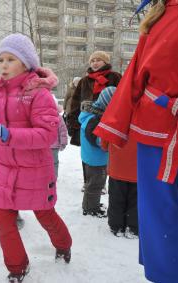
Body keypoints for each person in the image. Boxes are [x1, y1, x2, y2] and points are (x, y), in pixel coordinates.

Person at [94, 1, 178, 281]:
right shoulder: (159, 19)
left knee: (159, 213)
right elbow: (135, 75)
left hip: (157, 131)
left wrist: (113, 127)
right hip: (158, 131)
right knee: (157, 211)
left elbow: (133, 77)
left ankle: (165, 272)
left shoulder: (159, 19)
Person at [0, 33, 72, 283]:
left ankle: (64, 244)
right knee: (2, 218)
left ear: (25, 63)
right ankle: (16, 267)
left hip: (34, 168)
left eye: (10, 59)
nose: (3, 64)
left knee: (44, 213)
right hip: (4, 166)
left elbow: (47, 134)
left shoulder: (39, 93)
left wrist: (8, 134)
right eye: (0, 59)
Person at [66, 51, 121, 195]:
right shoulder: (85, 80)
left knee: (106, 151)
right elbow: (75, 102)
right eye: (92, 61)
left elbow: (122, 97)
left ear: (105, 62)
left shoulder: (115, 77)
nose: (95, 63)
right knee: (88, 154)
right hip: (86, 120)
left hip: (108, 120)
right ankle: (87, 181)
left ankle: (101, 182)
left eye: (98, 60)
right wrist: (73, 123)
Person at [99, 89, 138, 238]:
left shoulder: (113, 117)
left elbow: (104, 144)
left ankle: (116, 227)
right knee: (135, 200)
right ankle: (133, 228)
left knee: (116, 199)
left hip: (117, 169)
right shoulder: (142, 117)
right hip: (137, 170)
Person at [79, 87, 115, 217]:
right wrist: (111, 141)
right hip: (96, 159)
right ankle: (90, 208)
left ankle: (90, 204)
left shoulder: (92, 114)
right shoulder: (94, 120)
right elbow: (97, 141)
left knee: (93, 184)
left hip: (92, 157)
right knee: (95, 185)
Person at [51, 95, 68, 179]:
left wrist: (63, 142)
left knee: (54, 162)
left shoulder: (58, 118)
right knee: (45, 162)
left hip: (54, 145)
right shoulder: (40, 116)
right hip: (44, 145)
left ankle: (54, 176)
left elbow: (63, 131)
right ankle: (47, 176)